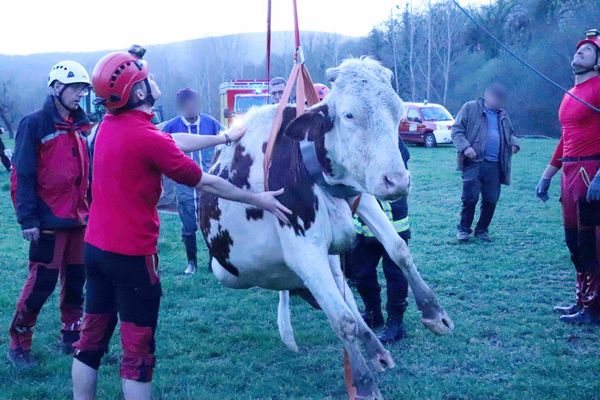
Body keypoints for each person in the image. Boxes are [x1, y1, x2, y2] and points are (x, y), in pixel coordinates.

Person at [71, 47, 291, 400]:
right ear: (140, 93)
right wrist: (258, 199)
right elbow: (207, 182)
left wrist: (223, 138)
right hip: (131, 259)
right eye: (148, 78)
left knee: (90, 342)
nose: (154, 81)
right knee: (137, 355)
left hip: (96, 251)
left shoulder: (109, 126)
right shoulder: (146, 138)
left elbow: (170, 140)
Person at [7, 61, 92, 369]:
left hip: (80, 220)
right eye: (75, 88)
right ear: (57, 88)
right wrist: (27, 219)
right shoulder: (35, 124)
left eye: (84, 88)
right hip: (46, 222)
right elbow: (22, 175)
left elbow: (89, 174)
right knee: (41, 283)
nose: (81, 94)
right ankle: (19, 344)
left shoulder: (82, 126)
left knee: (76, 282)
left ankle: (71, 337)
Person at [536, 29, 600, 325]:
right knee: (574, 241)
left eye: (587, 50)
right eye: (578, 49)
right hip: (570, 172)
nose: (579, 52)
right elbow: (565, 138)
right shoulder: (570, 93)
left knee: (592, 240)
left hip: (592, 170)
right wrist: (549, 174)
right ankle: (583, 300)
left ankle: (594, 308)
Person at [349, 138, 411, 343]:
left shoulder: (391, 138)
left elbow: (400, 165)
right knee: (361, 271)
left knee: (395, 273)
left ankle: (396, 321)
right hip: (363, 222)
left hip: (393, 220)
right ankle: (373, 312)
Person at [162, 88, 222, 274]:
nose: (191, 108)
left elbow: (223, 142)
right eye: (186, 105)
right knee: (188, 225)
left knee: (212, 222)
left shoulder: (210, 123)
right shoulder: (171, 127)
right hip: (185, 185)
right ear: (181, 107)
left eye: (194, 103)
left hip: (209, 182)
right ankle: (192, 263)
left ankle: (214, 261)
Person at [451, 83, 520, 242]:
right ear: (487, 95)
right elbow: (456, 131)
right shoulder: (470, 108)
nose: (498, 102)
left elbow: (511, 134)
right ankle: (463, 230)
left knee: (491, 199)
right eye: (496, 99)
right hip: (473, 162)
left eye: (501, 100)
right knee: (470, 198)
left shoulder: (502, 115)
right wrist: (465, 147)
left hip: (495, 166)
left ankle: (482, 230)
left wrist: (514, 144)